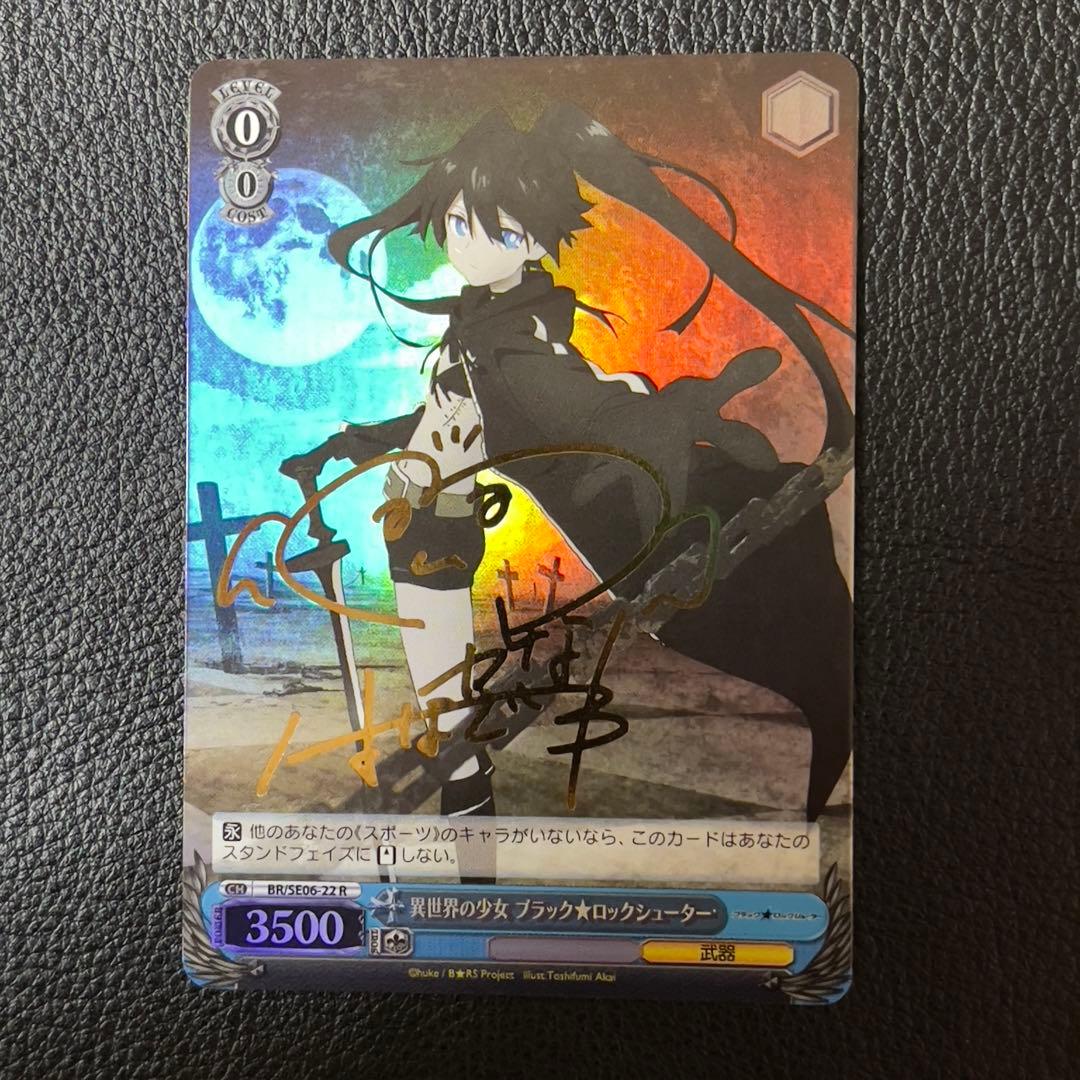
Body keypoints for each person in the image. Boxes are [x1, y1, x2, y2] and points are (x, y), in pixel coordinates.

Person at [282, 105, 853, 823]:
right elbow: (458, 409)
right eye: (457, 222)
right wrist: (351, 441)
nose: (469, 244)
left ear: (532, 241)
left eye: (498, 230)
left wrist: (666, 407)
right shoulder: (485, 325)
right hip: (433, 522)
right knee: (445, 696)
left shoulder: (516, 342)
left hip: (471, 522)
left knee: (449, 703)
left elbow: (560, 408)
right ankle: (464, 790)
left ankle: (466, 796)